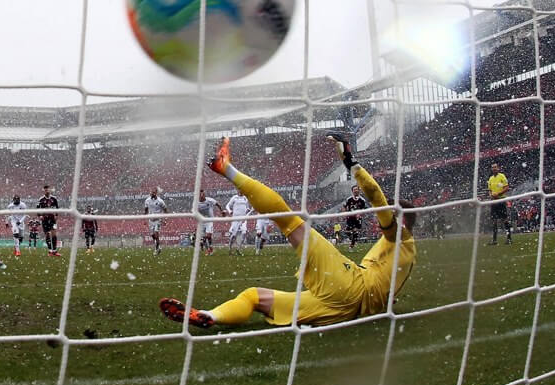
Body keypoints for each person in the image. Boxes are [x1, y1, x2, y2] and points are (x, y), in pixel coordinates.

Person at [160, 134, 417, 329]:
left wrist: (352, 162)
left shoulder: (401, 237)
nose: (384, 217)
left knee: (288, 220)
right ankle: (210, 316)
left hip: (350, 287)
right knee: (254, 297)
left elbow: (374, 196)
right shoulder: (404, 254)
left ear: (401, 220)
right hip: (346, 310)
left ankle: (226, 168)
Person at [488, 162, 512, 245]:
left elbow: (506, 187)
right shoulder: (490, 179)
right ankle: (494, 240)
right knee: (494, 221)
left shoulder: (502, 176)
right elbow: (490, 190)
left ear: (498, 168)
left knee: (504, 219)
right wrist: (491, 195)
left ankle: (509, 239)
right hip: (494, 201)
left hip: (501, 200)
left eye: (495, 167)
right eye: (492, 167)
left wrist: (498, 194)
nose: (494, 169)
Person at [196, 189, 224, 254]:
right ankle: (208, 249)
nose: (202, 195)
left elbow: (217, 204)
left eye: (203, 194)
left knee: (208, 236)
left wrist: (221, 211)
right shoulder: (196, 203)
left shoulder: (209, 200)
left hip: (209, 220)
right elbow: (194, 211)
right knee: (203, 237)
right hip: (201, 221)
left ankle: (207, 246)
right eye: (201, 194)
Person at [225, 189, 252, 255]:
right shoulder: (234, 197)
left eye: (241, 190)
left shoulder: (245, 198)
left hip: (243, 219)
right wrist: (230, 211)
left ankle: (238, 249)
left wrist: (247, 212)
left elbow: (248, 208)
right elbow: (227, 206)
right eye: (239, 190)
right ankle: (230, 248)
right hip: (235, 218)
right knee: (233, 235)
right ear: (237, 191)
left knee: (244, 232)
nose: (240, 191)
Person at [143, 188, 168, 255]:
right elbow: (146, 210)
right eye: (151, 192)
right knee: (153, 235)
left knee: (156, 234)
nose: (152, 193)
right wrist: (145, 219)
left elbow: (165, 209)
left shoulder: (160, 201)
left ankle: (156, 250)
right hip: (150, 220)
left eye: (153, 192)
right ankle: (159, 247)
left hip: (158, 220)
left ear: (156, 193)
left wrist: (165, 219)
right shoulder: (147, 200)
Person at [38, 185, 60, 256]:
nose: (47, 191)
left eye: (48, 190)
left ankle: (55, 251)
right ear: (44, 191)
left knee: (54, 234)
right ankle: (50, 251)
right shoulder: (41, 199)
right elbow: (37, 209)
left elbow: (57, 208)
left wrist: (56, 215)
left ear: (50, 190)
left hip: (52, 219)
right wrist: (40, 215)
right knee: (47, 235)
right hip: (45, 219)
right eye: (45, 190)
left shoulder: (54, 198)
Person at [344, 185, 369, 250]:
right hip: (350, 217)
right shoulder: (349, 199)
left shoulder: (362, 200)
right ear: (352, 191)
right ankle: (352, 240)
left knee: (355, 231)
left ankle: (351, 246)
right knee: (347, 231)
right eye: (354, 189)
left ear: (359, 191)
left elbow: (364, 209)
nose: (356, 190)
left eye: (357, 189)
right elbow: (345, 206)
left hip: (357, 218)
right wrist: (346, 213)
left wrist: (360, 214)